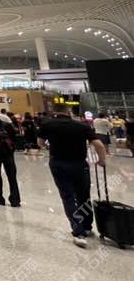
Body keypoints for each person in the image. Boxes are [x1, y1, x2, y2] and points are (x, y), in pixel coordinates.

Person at [39, 104, 107, 248]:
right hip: (80, 164)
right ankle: (87, 227)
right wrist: (102, 160)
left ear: (54, 112)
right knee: (84, 196)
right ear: (68, 112)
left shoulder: (47, 125)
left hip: (59, 164)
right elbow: (99, 145)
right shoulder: (82, 126)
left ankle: (79, 233)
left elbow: (40, 143)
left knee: (68, 197)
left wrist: (51, 146)